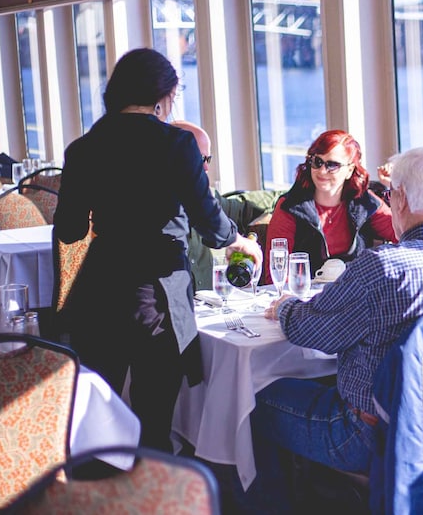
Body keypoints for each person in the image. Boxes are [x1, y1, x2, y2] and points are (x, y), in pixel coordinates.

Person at [250, 145, 423, 513]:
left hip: (371, 433)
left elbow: (312, 331)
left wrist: (287, 307)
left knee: (256, 400)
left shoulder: (384, 267)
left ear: (399, 200)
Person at [53, 48, 261, 452]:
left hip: (99, 288)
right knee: (153, 417)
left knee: (100, 413)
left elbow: (69, 230)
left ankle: (98, 498)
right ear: (163, 96)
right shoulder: (176, 144)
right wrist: (237, 239)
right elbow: (208, 220)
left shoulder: (83, 148)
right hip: (158, 293)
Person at [264, 129, 396, 283]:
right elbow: (276, 274)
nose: (322, 171)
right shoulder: (290, 207)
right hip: (306, 297)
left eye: (332, 165)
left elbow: (406, 234)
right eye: (317, 162)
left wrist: (394, 186)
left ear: (349, 170)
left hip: (354, 294)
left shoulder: (366, 203)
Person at [171, 120, 273, 291]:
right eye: (198, 158)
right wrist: (236, 241)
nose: (205, 167)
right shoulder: (154, 205)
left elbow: (245, 207)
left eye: (208, 159)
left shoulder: (208, 196)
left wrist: (294, 195)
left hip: (208, 308)